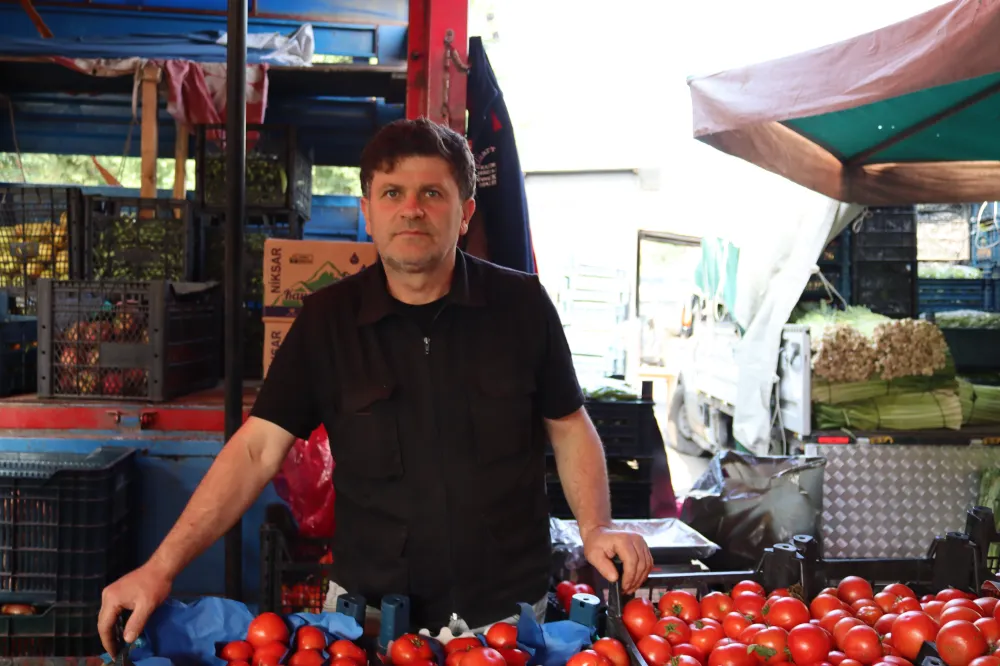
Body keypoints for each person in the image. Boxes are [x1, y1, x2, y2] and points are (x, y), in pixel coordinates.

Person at [98, 117, 653, 653]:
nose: (411, 209)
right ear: (367, 212)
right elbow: (254, 450)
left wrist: (597, 527)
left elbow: (570, 426)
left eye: (432, 193)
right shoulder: (325, 322)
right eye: (392, 194)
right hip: (371, 627)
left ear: (465, 214)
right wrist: (160, 567)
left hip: (511, 624)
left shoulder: (522, 306)